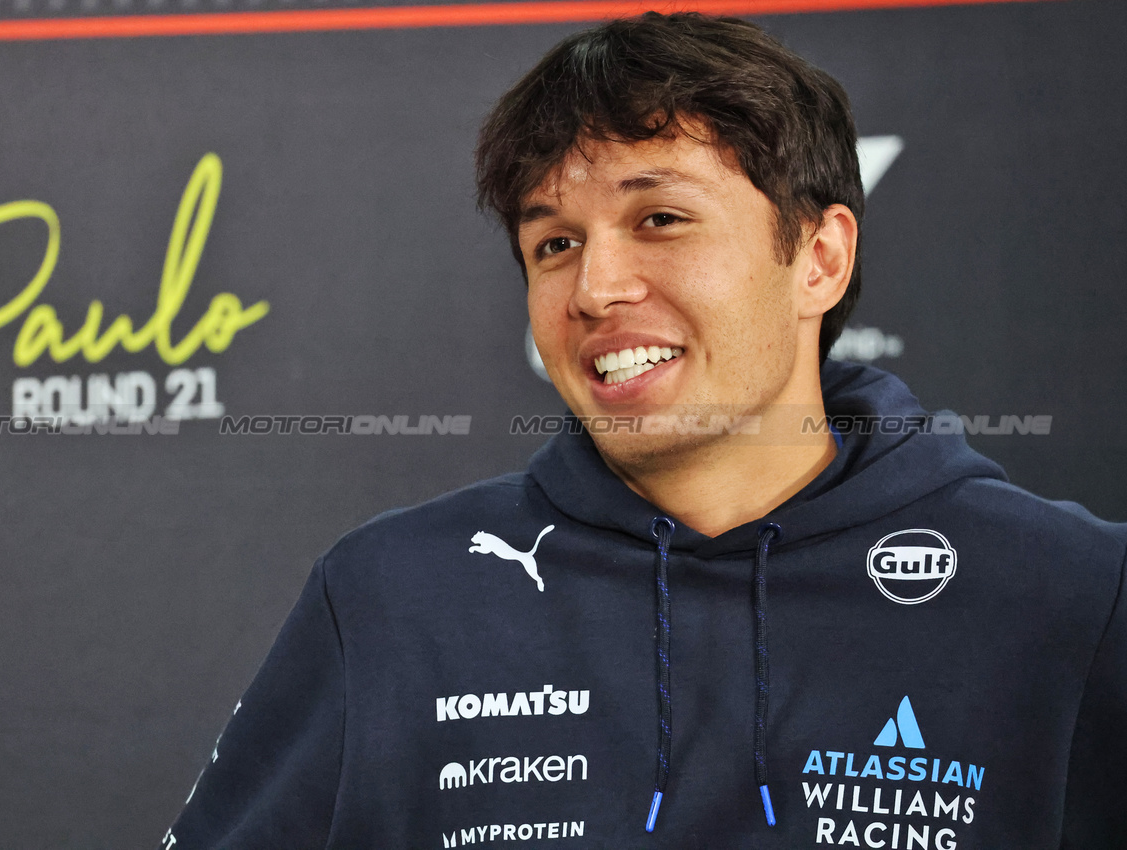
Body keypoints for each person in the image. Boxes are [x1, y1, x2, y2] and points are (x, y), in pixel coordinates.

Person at [165, 13, 1126, 848]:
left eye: (660, 217)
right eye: (554, 244)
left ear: (819, 260)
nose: (594, 289)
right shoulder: (390, 595)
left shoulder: (1075, 596)